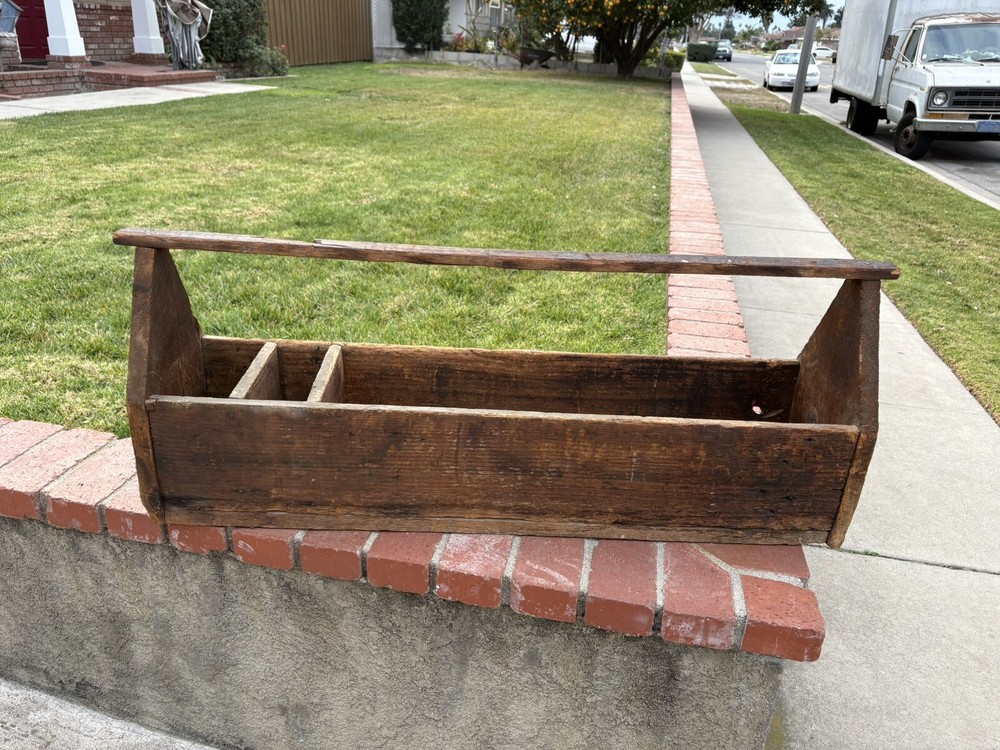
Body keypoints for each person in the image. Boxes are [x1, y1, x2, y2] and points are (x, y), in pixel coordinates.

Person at [157, 0, 212, 70]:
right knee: (177, 36)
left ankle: (190, 62)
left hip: (186, 14)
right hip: (175, 15)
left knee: (189, 38)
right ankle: (179, 62)